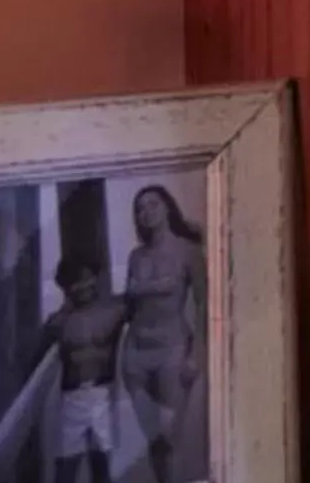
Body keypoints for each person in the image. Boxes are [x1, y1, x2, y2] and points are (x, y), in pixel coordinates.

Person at [119, 185, 205, 483]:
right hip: (135, 355)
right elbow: (127, 308)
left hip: (172, 349)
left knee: (170, 437)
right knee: (154, 438)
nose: (146, 213)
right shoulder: (135, 257)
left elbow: (204, 305)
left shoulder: (188, 251)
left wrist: (196, 355)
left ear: (168, 207)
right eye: (140, 209)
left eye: (153, 205)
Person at [37, 250, 131, 483]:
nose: (82, 286)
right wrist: (66, 307)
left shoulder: (115, 309)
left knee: (102, 466)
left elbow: (151, 311)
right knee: (65, 469)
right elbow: (39, 344)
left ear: (96, 277)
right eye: (75, 282)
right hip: (72, 399)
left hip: (103, 395)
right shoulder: (60, 322)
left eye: (86, 278)